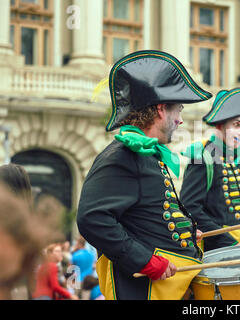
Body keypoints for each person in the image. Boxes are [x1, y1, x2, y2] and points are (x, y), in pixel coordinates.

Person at [77, 50, 211, 300]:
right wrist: (144, 261)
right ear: (161, 109)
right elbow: (92, 218)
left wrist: (186, 231)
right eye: (178, 110)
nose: (180, 120)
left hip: (170, 287)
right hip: (144, 290)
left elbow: (149, 215)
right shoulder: (121, 155)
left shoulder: (147, 155)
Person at [180, 88, 240, 251]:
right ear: (220, 124)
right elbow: (190, 208)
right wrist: (226, 241)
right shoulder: (203, 157)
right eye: (237, 125)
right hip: (216, 249)